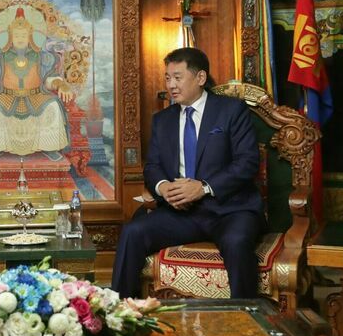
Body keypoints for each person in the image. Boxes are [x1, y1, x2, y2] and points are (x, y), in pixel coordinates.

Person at [111, 47, 263, 299]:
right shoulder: (163, 120)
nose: (171, 85)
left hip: (230, 210)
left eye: (178, 77)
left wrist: (203, 187)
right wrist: (163, 188)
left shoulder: (231, 110)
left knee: (237, 242)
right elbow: (152, 166)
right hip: (182, 212)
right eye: (167, 78)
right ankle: (120, 310)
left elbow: (247, 163)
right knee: (132, 232)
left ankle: (245, 313)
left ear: (200, 77)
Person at [0, 7, 74, 158]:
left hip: (35, 96)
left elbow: (49, 79)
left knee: (53, 104)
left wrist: (61, 84)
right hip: (6, 96)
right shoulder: (0, 57)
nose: (20, 38)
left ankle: (50, 148)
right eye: (16, 35)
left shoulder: (41, 56)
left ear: (30, 36)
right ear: (10, 37)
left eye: (23, 35)